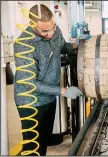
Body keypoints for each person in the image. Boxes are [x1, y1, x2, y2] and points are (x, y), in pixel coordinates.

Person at [14, 4, 82, 156]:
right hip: (31, 102)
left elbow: (62, 46)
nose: (51, 33)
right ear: (32, 25)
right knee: (33, 147)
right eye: (45, 31)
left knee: (43, 142)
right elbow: (29, 83)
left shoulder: (54, 30)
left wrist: (79, 48)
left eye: (52, 27)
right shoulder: (24, 45)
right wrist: (63, 91)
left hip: (50, 98)